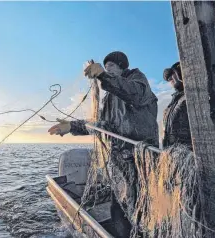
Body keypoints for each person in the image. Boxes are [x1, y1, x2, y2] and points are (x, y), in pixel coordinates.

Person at [48, 51, 159, 237]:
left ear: (123, 66)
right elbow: (101, 126)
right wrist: (71, 126)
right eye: (105, 67)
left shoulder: (138, 81)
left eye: (111, 67)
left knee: (140, 210)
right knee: (118, 211)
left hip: (140, 161)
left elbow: (134, 94)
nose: (107, 70)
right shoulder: (109, 98)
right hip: (118, 163)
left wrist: (103, 75)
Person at [162, 61, 192, 149]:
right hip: (173, 151)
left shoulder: (192, 95)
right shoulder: (175, 101)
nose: (170, 80)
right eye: (169, 79)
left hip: (189, 152)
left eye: (172, 74)